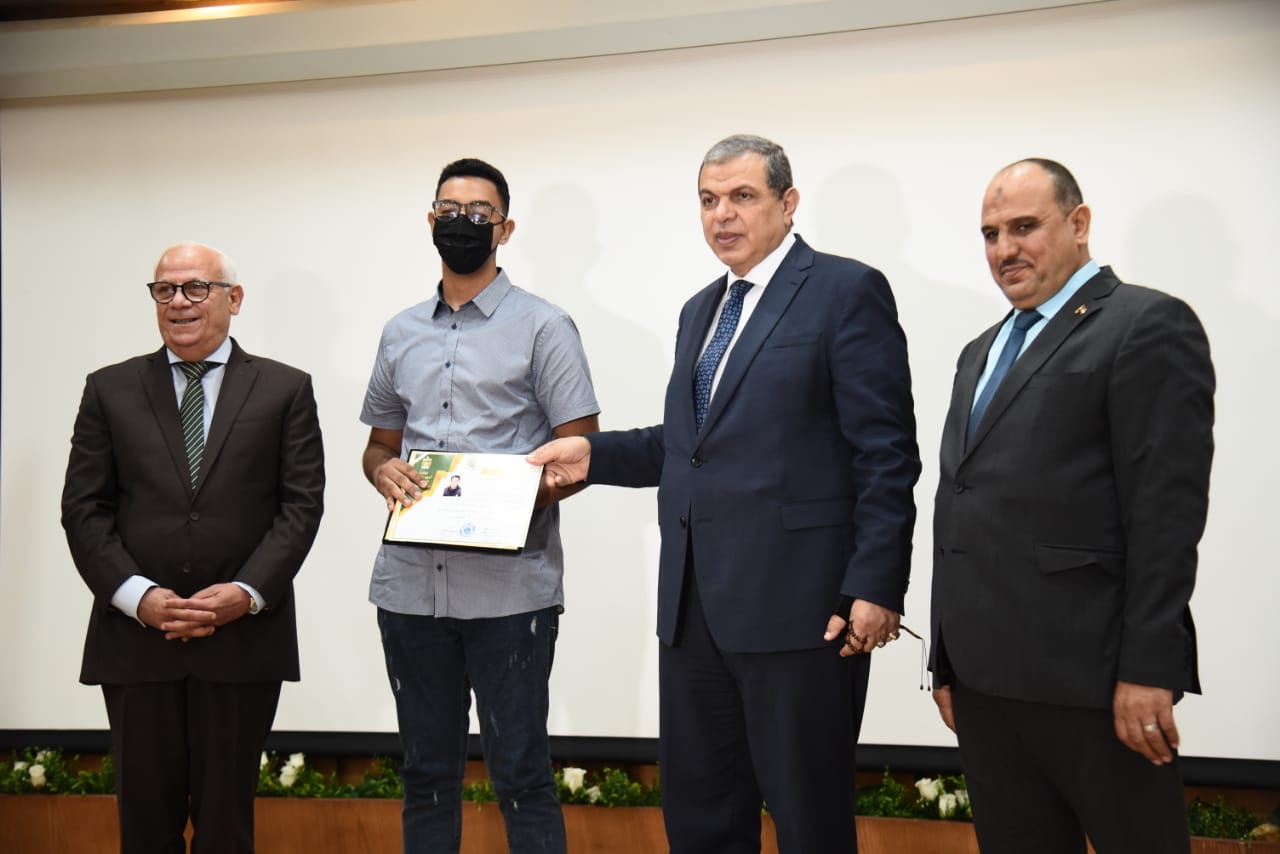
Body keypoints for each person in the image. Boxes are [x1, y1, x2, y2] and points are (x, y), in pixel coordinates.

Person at [529, 134, 920, 853]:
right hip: (693, 613)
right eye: (709, 200)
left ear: (788, 202)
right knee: (701, 821)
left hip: (804, 613)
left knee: (809, 821)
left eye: (742, 196)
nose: (722, 215)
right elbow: (690, 445)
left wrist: (876, 584)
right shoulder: (700, 309)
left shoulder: (845, 291)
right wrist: (593, 454)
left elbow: (886, 453)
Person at [929, 159, 1214, 854]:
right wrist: (946, 659)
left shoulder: (1146, 324)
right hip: (985, 686)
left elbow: (1166, 516)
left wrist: (1149, 669)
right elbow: (960, 502)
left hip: (1097, 683)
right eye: (991, 233)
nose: (1005, 249)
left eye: (1024, 226)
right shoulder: (979, 351)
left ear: (1079, 223)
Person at [360, 158, 599, 854]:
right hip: (410, 589)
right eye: (449, 210)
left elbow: (581, 454)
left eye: (478, 213)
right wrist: (383, 472)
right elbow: (378, 447)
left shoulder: (545, 327)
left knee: (521, 774)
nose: (461, 222)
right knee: (425, 774)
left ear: (505, 228)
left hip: (510, 593)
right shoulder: (400, 331)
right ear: (430, 220)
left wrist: (507, 498)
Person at [61, 242, 326, 853]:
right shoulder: (109, 389)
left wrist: (246, 593)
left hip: (241, 642)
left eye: (196, 288)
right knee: (145, 830)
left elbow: (301, 507)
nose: (179, 301)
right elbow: (84, 509)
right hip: (136, 644)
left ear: (234, 298)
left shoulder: (285, 389)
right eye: (165, 289)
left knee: (226, 829)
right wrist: (138, 597)